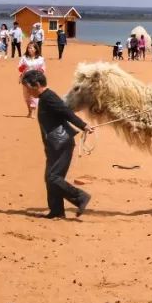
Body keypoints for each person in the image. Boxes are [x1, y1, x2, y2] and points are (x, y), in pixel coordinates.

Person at [21, 69, 93, 219]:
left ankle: (80, 197)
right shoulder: (44, 97)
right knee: (51, 177)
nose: (27, 90)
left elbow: (65, 112)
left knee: (53, 177)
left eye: (27, 87)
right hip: (54, 144)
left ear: (37, 84)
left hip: (62, 143)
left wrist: (83, 125)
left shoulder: (49, 97)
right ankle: (57, 211)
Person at [18, 42, 46, 118]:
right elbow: (20, 68)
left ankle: (33, 111)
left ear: (36, 49)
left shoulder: (40, 59)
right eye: (28, 48)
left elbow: (43, 69)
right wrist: (22, 67)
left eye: (31, 48)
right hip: (26, 78)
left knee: (34, 95)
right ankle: (29, 111)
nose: (29, 49)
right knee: (27, 96)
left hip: (35, 79)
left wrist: (39, 74)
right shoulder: (24, 58)